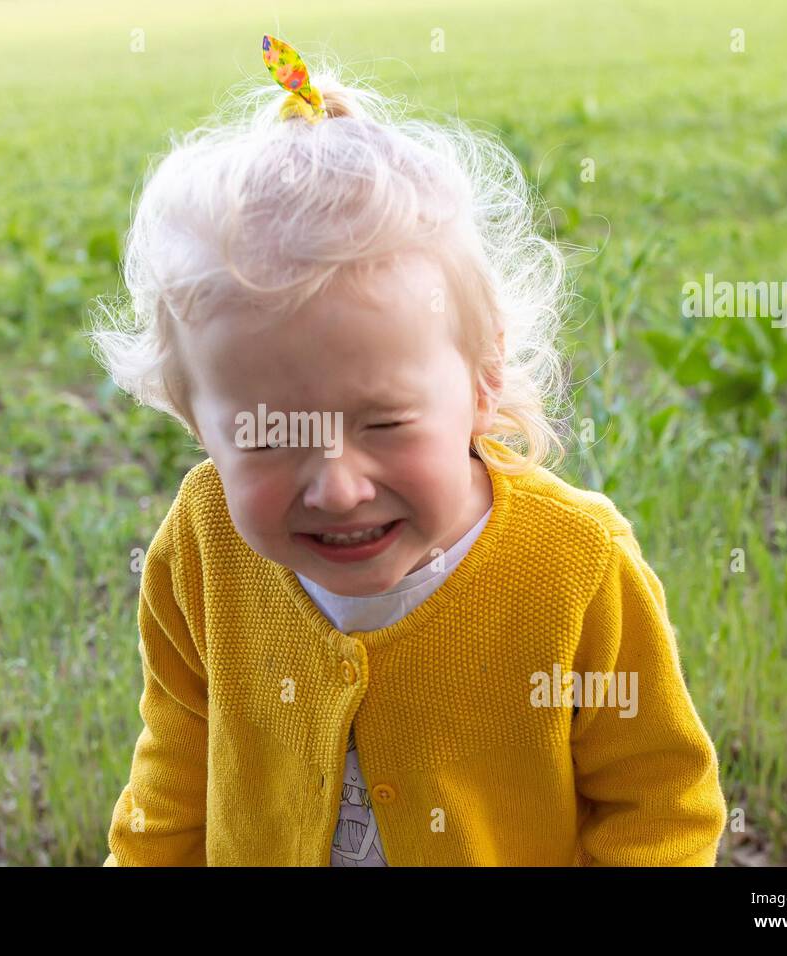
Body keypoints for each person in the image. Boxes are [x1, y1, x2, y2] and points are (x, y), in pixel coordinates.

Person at [88, 35, 726, 866]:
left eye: (385, 424)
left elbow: (660, 801)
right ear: (195, 421)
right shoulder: (202, 548)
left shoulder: (571, 565)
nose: (340, 486)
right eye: (271, 434)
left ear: (483, 378)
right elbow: (175, 768)